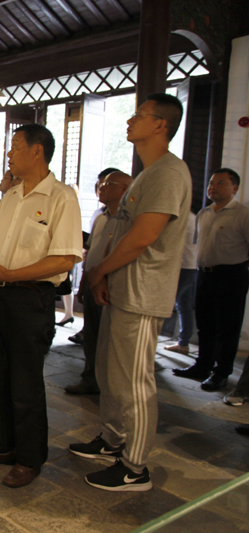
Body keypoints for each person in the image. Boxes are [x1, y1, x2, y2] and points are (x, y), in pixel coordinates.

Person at [71, 94, 192, 492]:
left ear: (160, 125)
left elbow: (143, 237)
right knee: (110, 372)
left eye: (138, 115)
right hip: (122, 290)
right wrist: (104, 277)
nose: (129, 120)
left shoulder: (168, 172)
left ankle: (135, 467)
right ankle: (112, 440)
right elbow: (122, 232)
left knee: (134, 382)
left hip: (143, 294)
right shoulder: (146, 173)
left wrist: (100, 271)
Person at [0, 124, 82, 489]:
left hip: (30, 299)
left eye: (15, 145)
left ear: (37, 151)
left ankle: (30, 458)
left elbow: (64, 258)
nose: (9, 153)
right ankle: (2, 446)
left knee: (25, 383)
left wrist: (12, 274)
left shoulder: (61, 197)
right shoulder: (12, 196)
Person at [173, 168, 249, 391]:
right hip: (204, 273)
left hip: (232, 275)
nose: (213, 187)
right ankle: (202, 366)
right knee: (205, 324)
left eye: (221, 183)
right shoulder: (204, 213)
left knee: (227, 327)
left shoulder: (242, 214)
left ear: (235, 188)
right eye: (211, 183)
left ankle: (221, 373)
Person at [65, 171, 133, 395]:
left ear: (125, 189)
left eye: (108, 183)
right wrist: (85, 280)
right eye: (101, 183)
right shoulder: (101, 217)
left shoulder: (129, 220)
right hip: (94, 281)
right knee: (92, 334)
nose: (101, 187)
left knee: (110, 339)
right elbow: (91, 250)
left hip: (113, 285)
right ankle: (90, 378)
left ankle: (109, 384)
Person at [163, 209, 197, 355]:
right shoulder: (194, 217)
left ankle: (148, 343)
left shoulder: (183, 218)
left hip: (182, 266)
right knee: (184, 305)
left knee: (165, 305)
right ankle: (183, 343)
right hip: (192, 265)